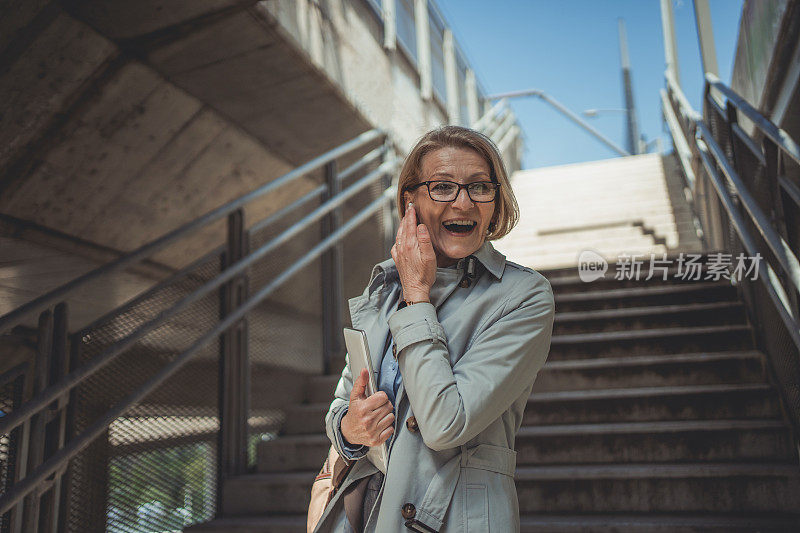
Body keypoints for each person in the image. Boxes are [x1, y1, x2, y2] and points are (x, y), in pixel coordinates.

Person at [313, 125, 555, 532]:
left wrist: (417, 295)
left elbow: (446, 424)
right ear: (412, 201)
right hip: (366, 513)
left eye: (480, 187)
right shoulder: (385, 287)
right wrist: (351, 428)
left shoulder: (524, 296)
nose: (463, 202)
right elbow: (342, 401)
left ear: (496, 201)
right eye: (442, 187)